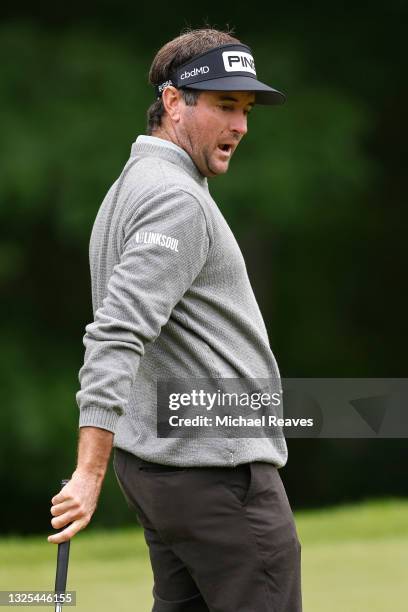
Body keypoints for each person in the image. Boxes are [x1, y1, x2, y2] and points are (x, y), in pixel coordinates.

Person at [48, 27, 302, 612]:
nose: (240, 126)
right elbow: (117, 332)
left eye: (244, 110)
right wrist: (87, 473)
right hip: (216, 475)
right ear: (172, 102)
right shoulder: (176, 199)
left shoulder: (133, 185)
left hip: (168, 471)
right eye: (224, 106)